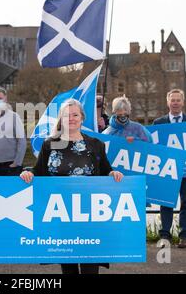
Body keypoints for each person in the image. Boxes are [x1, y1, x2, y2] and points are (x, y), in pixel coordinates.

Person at [20, 99, 123, 275]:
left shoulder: (96, 145)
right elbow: (39, 171)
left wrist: (112, 174)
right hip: (60, 213)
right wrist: (28, 174)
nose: (71, 119)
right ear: (61, 119)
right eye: (67, 115)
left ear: (82, 117)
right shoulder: (49, 144)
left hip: (89, 213)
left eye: (75, 115)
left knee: (90, 267)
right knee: (68, 269)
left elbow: (106, 170)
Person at [153, 89, 186, 248]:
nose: (176, 103)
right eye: (173, 100)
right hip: (167, 172)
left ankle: (184, 235)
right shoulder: (158, 123)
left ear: (183, 102)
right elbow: (153, 147)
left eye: (178, 100)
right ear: (168, 102)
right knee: (166, 203)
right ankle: (165, 235)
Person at [0, 87, 27, 176]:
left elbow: (22, 141)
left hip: (12, 165)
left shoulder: (14, 117)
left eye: (0, 98)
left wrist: (17, 162)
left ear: (5, 99)